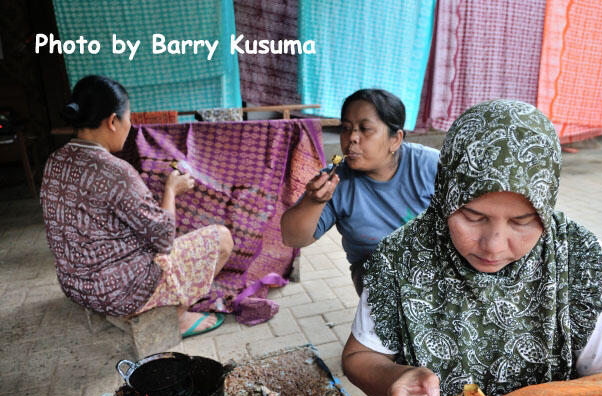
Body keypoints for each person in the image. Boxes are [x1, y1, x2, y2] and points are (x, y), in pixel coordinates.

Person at [341, 100, 602, 396]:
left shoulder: (580, 259)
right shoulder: (399, 257)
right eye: (472, 215)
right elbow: (360, 357)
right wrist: (394, 380)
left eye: (522, 221)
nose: (494, 245)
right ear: (446, 193)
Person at [40, 75, 233, 337]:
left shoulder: (56, 160)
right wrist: (171, 190)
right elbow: (164, 239)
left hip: (75, 287)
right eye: (129, 118)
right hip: (118, 295)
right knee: (222, 238)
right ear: (112, 121)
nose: (130, 126)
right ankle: (178, 317)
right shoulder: (115, 171)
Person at [280, 89, 439, 295]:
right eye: (346, 128)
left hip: (434, 264)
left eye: (365, 129)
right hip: (375, 276)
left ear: (395, 139)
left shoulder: (430, 165)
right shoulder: (335, 180)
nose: (352, 138)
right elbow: (292, 238)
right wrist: (312, 202)